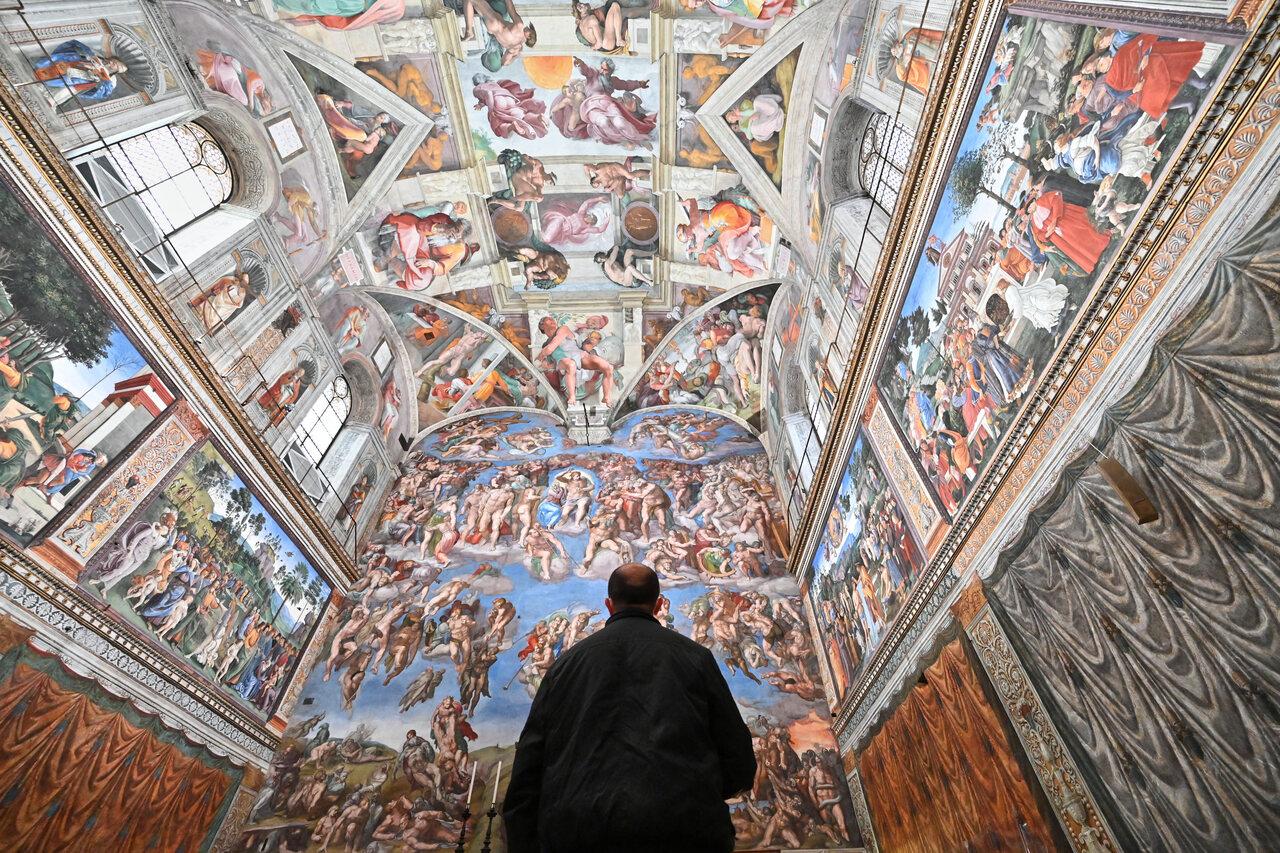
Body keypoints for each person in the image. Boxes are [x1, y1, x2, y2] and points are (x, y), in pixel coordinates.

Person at [504, 563, 756, 852]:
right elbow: (738, 758)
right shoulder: (695, 658)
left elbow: (530, 761)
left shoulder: (565, 665)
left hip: (579, 832)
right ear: (659, 604)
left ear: (609, 605)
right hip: (683, 830)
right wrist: (699, 794)